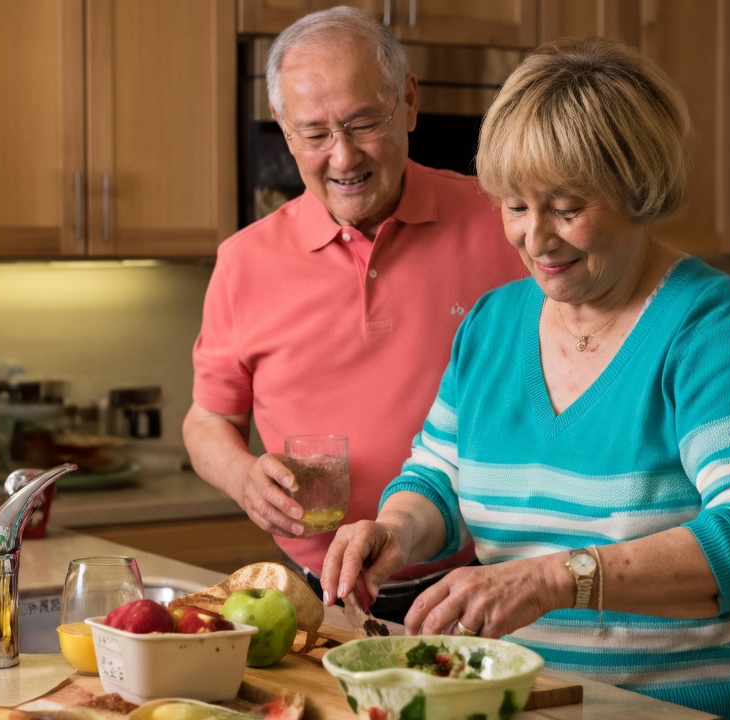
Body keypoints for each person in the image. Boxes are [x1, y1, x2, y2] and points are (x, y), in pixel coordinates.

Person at [319, 38, 730, 720]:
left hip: (685, 708)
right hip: (529, 700)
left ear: (638, 190)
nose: (535, 239)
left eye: (567, 207)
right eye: (514, 206)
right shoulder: (492, 324)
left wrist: (558, 579)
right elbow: (437, 478)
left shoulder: (716, 329)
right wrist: (395, 532)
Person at [183, 6, 527, 619]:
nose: (343, 158)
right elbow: (208, 419)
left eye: (364, 122)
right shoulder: (243, 261)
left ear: (410, 102)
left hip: (481, 582)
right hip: (316, 595)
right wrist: (242, 478)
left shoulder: (504, 221)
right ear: (285, 133)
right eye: (315, 134)